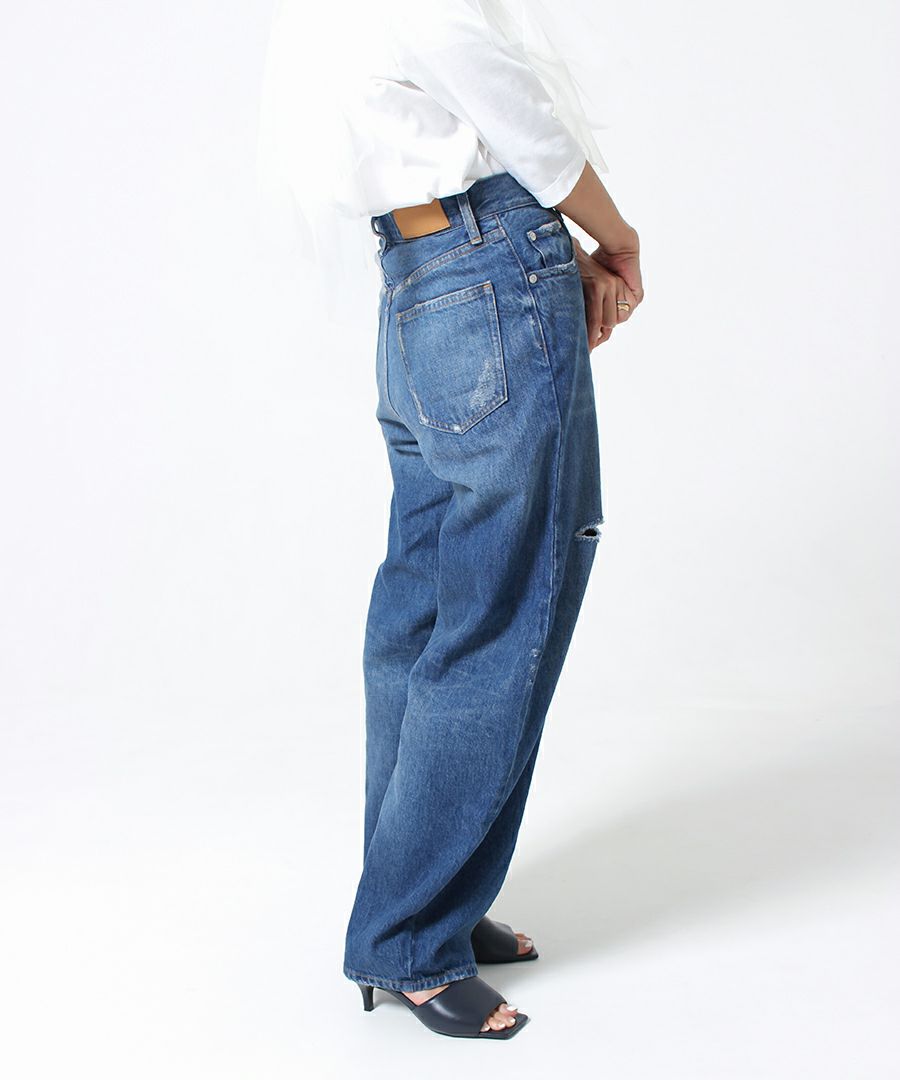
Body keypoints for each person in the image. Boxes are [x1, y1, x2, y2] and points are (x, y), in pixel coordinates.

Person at [259, 0, 643, 1041]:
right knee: (501, 613)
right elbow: (519, 118)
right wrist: (614, 237)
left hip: (417, 278)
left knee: (425, 616)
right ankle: (412, 937)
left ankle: (422, 903)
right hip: (488, 263)